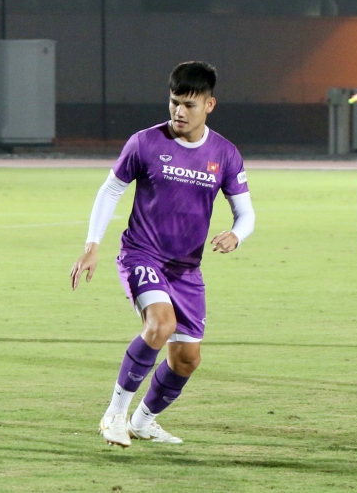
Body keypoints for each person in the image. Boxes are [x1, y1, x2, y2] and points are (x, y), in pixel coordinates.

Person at [70, 61, 256, 447]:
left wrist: (236, 235)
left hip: (186, 269)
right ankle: (114, 415)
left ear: (209, 105)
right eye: (174, 102)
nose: (179, 111)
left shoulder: (224, 153)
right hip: (142, 254)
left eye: (189, 104)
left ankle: (143, 421)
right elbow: (111, 190)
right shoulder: (145, 143)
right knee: (160, 325)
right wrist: (92, 245)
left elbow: (246, 213)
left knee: (186, 359)